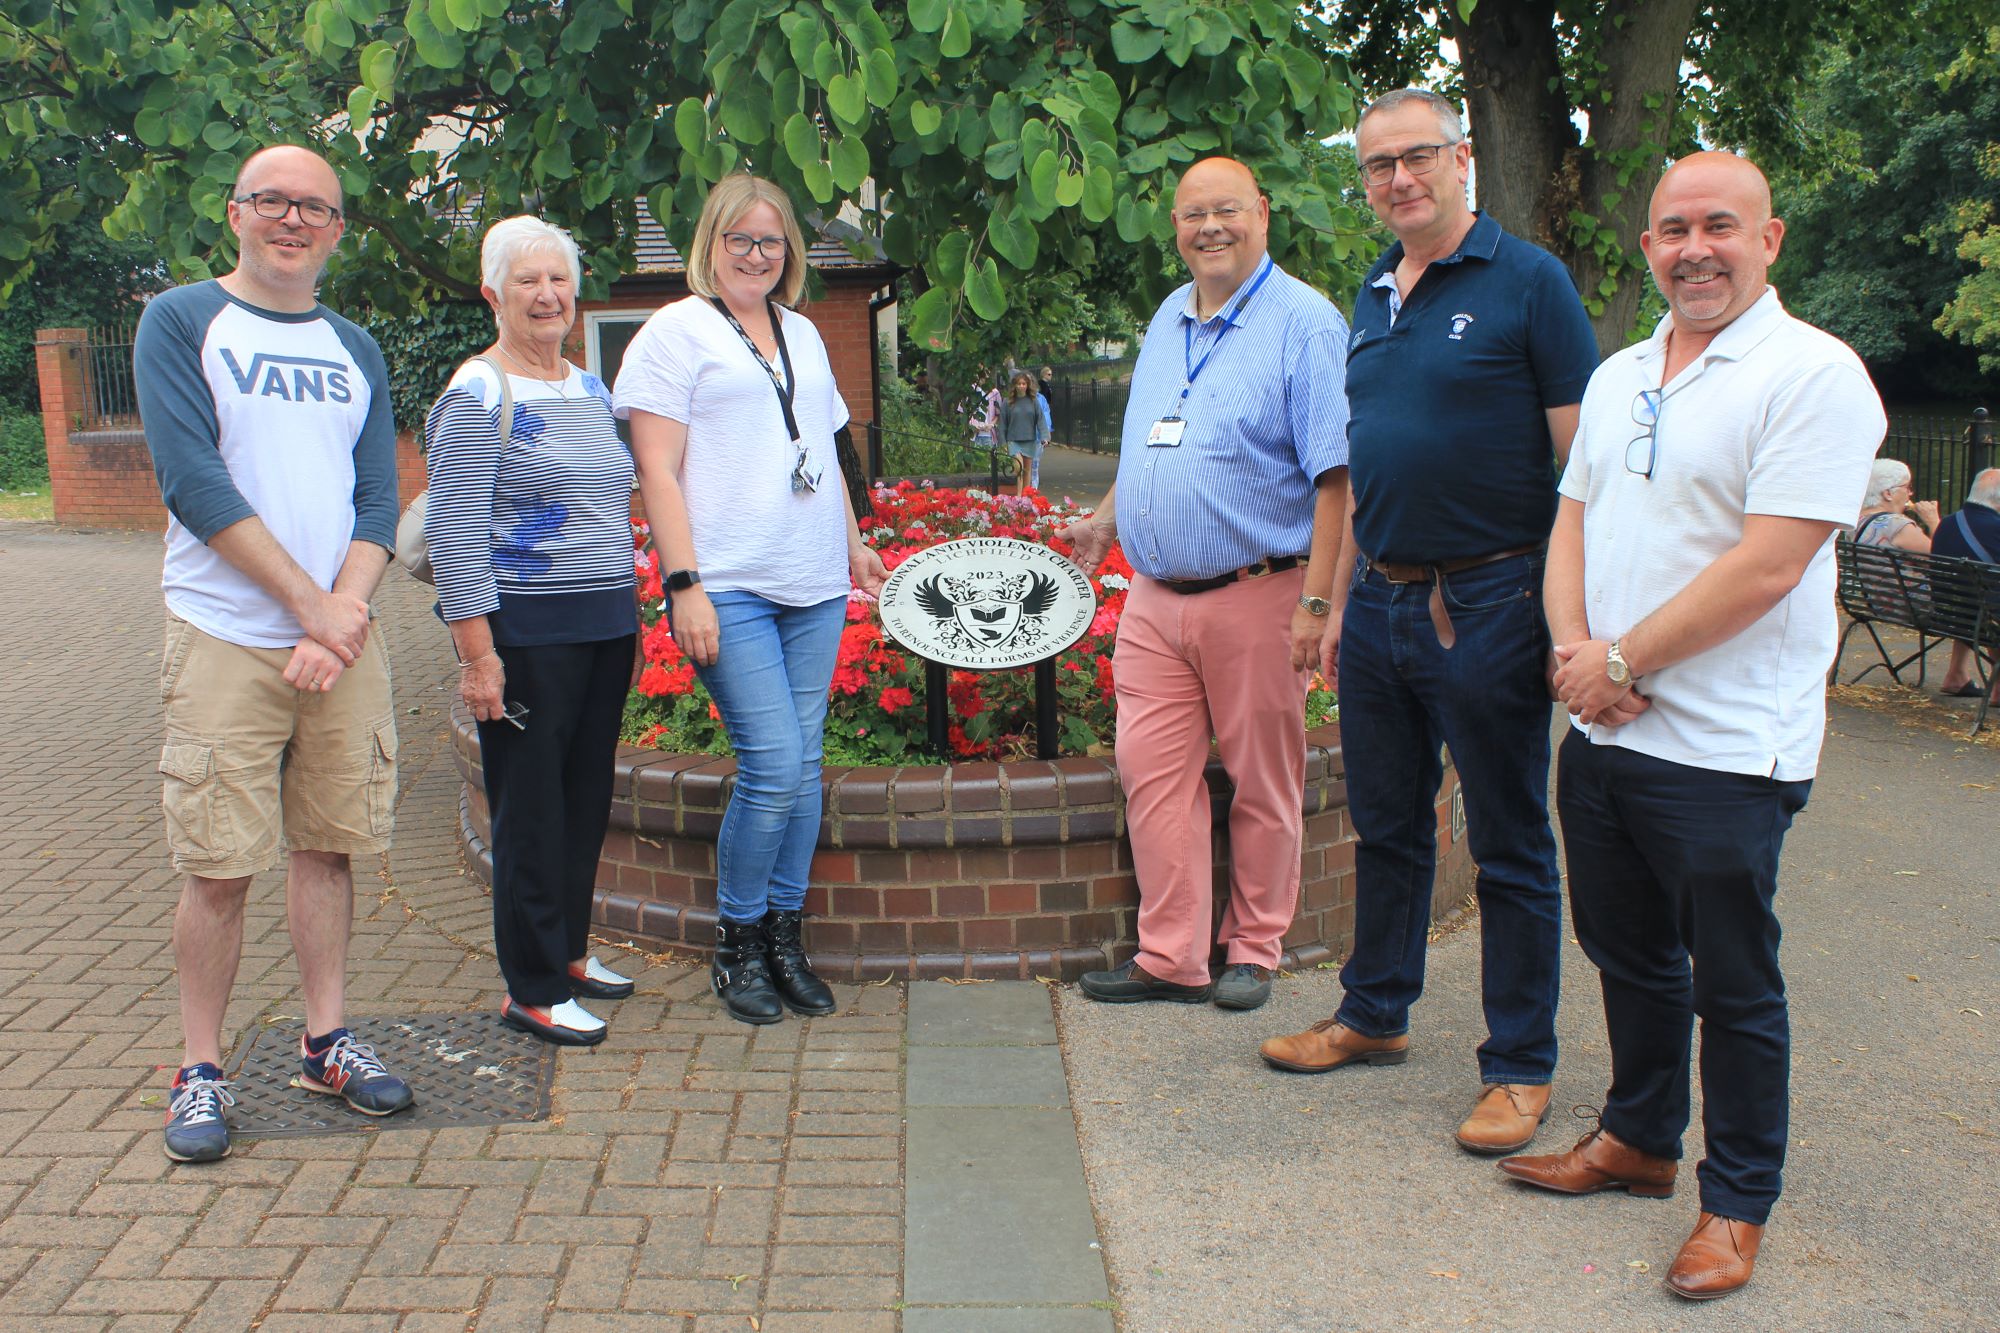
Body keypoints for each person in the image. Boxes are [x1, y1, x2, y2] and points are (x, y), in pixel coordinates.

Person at [1499, 151, 1885, 1301]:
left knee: (1731, 979)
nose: (1692, 248)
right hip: (1607, 732)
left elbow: (1767, 565)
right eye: (1670, 229)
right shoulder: (1619, 372)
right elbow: (1570, 518)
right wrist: (1580, 663)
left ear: (1769, 239)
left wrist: (1619, 659)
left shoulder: (1814, 376)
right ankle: (1635, 1138)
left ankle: (1734, 1203)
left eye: (1718, 225)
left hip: (1723, 746)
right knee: (1625, 955)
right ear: (1646, 247)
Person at [1258, 89, 1600, 1157]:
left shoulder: (1526, 281)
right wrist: (1325, 598)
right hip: (1382, 605)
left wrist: (1571, 618)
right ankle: (1373, 1013)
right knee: (1388, 825)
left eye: (1414, 158)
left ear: (1460, 160)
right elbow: (1360, 467)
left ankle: (1518, 1065)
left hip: (1489, 598)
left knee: (1505, 841)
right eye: (1376, 166)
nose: (1396, 179)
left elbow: (1583, 469)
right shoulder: (1371, 296)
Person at [133, 143, 413, 1164]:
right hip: (226, 637)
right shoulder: (181, 322)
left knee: (328, 846)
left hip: (336, 640)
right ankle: (200, 1068)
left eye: (315, 208)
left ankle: (324, 1039)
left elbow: (376, 496)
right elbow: (193, 482)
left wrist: (343, 609)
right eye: (272, 202)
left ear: (337, 230)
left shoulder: (355, 346)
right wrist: (312, 609)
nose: (293, 220)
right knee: (217, 864)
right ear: (236, 211)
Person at [1062, 157, 1350, 1012]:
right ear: (1176, 227)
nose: (1209, 228)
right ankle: (1169, 953)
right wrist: (1106, 520)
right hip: (1154, 598)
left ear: (1262, 213)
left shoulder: (1306, 322)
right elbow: (1152, 440)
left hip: (1260, 589)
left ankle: (1254, 947)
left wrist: (1317, 602)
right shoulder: (1165, 317)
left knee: (1263, 777)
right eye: (1194, 215)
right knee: (1150, 771)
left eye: (1227, 210)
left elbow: (1338, 478)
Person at [613, 174, 888, 1025]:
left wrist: (853, 546)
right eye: (742, 240)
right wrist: (682, 582)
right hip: (727, 582)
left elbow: (822, 449)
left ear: (789, 253)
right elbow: (656, 467)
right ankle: (737, 941)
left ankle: (784, 938)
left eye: (771, 242)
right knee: (772, 765)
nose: (757, 255)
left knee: (802, 770)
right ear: (711, 244)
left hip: (810, 580)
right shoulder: (675, 333)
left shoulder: (804, 333)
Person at [423, 216, 639, 1048]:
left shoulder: (589, 389)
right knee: (532, 812)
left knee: (584, 802)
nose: (547, 295)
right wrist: (479, 657)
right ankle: (534, 988)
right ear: (493, 295)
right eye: (527, 281)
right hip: (526, 632)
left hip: (603, 621)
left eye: (559, 280)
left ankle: (572, 954)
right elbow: (453, 534)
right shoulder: (476, 395)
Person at [1932, 468, 2000, 700]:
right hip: (1985, 618)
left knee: (1986, 598)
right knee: (1991, 603)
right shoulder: (1995, 528)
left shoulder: (1947, 524)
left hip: (1951, 614)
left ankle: (1961, 675)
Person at [1853, 459, 1936, 552]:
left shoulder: (1856, 519)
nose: (1910, 493)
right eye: (1907, 487)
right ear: (1888, 494)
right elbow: (1940, 561)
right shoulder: (1899, 526)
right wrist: (1933, 521)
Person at [1000, 370, 1047, 490]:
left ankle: (1027, 497)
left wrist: (1044, 437)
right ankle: (1019, 497)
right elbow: (1003, 423)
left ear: (1027, 385)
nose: (1021, 386)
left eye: (1024, 384)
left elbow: (1040, 420)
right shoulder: (1008, 402)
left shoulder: (1033, 401)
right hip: (1013, 440)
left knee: (1027, 470)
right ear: (1015, 385)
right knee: (1018, 467)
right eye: (1019, 384)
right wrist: (1003, 442)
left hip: (1029, 440)